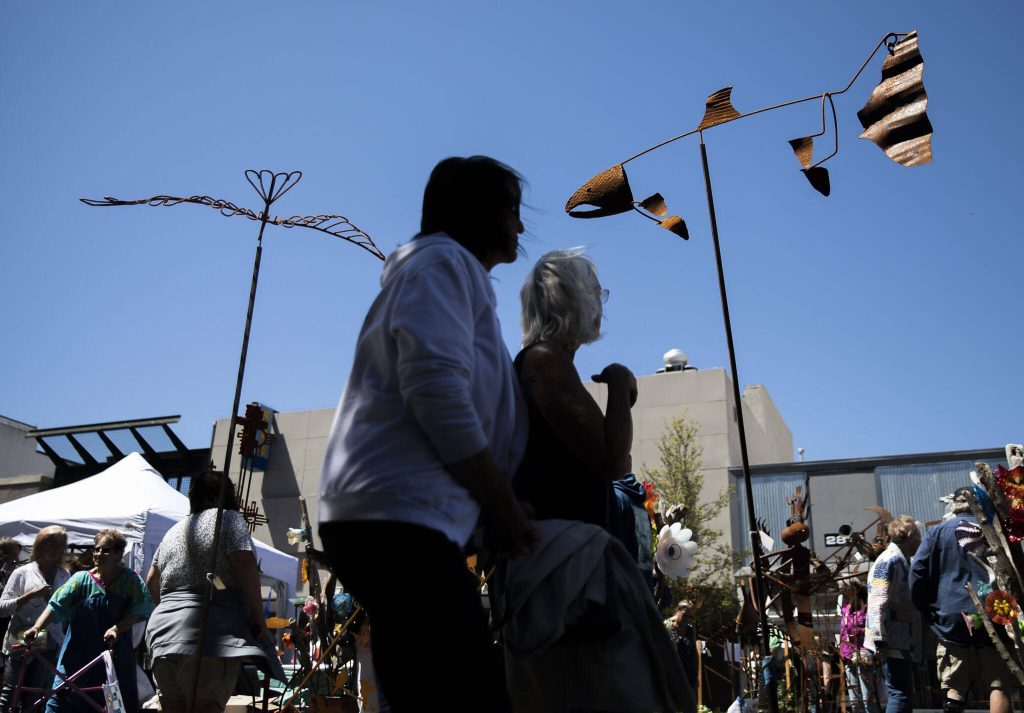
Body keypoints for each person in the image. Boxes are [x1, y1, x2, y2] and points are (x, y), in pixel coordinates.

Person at [317, 155, 537, 713]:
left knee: (425, 690)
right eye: (512, 212)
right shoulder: (441, 264)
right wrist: (501, 504)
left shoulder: (454, 276)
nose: (520, 226)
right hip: (397, 524)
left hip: (398, 523)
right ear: (480, 214)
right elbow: (436, 390)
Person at [499, 248, 692, 713]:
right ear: (573, 302)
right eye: (595, 293)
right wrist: (622, 391)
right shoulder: (546, 362)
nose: (601, 303)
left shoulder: (538, 362)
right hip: (566, 569)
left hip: (557, 563)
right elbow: (612, 460)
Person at [146, 469, 281, 712]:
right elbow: (243, 562)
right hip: (208, 631)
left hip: (163, 635)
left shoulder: (173, 531)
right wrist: (258, 616)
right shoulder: (228, 519)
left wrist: (171, 610)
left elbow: (151, 580)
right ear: (225, 497)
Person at [910, 487, 1017, 713]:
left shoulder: (938, 532)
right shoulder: (993, 530)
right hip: (994, 611)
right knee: (998, 684)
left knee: (954, 686)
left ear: (954, 505)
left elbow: (917, 571)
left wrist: (927, 608)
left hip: (951, 616)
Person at [24, 529, 153, 713]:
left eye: (106, 550)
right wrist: (37, 628)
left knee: (111, 704)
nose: (99, 554)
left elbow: (142, 609)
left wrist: (117, 628)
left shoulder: (129, 580)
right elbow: (55, 605)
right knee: (60, 701)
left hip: (111, 660)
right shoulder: (80, 580)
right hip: (76, 657)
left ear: (118, 553)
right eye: (96, 549)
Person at [0, 527, 70, 712]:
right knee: (10, 693)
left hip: (50, 642)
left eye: (61, 545)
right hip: (21, 638)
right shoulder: (22, 573)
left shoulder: (65, 576)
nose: (56, 549)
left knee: (34, 696)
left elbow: (67, 611)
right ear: (40, 544)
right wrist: (30, 595)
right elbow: (2, 609)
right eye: (51, 543)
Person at [864, 515, 921, 713]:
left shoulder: (900, 560)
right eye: (918, 536)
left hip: (900, 638)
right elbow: (877, 601)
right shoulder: (890, 560)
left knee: (903, 693)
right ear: (909, 536)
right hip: (892, 639)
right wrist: (879, 638)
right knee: (900, 693)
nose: (921, 540)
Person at [839, 581, 880, 713]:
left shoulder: (867, 609)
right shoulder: (845, 610)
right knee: (854, 697)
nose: (845, 595)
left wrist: (862, 632)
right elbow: (843, 633)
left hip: (864, 653)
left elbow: (874, 630)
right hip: (849, 655)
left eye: (847, 592)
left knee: (867, 696)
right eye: (844, 593)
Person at [667, 600, 699, 691]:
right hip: (670, 678)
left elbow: (693, 653)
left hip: (687, 678)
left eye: (690, 617)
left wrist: (695, 677)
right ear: (677, 611)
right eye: (685, 615)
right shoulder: (667, 626)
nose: (687, 619)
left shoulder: (689, 629)